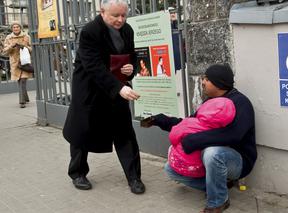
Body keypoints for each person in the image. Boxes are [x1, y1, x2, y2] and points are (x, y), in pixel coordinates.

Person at [148, 64, 257, 213]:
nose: (202, 82)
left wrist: (195, 140)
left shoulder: (241, 102)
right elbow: (190, 124)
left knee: (213, 153)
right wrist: (162, 120)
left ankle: (218, 202)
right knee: (171, 169)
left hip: (238, 161)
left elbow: (234, 135)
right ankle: (219, 187)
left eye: (206, 78)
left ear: (218, 82)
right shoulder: (209, 102)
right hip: (207, 158)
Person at [62, 0, 146, 194]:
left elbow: (132, 55)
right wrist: (119, 88)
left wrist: (130, 69)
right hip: (89, 89)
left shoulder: (128, 30)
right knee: (81, 131)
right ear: (102, 12)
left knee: (124, 132)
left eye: (124, 15)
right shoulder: (89, 31)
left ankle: (134, 177)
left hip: (116, 88)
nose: (120, 20)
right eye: (115, 15)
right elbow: (93, 66)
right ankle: (77, 173)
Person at [168, 97, 236, 178]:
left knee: (172, 147)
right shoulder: (217, 133)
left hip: (179, 164)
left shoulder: (189, 122)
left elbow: (172, 137)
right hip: (201, 170)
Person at [3, 21, 32, 108]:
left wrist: (24, 46)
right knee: (20, 81)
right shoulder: (8, 37)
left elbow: (31, 49)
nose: (16, 28)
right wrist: (11, 46)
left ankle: (22, 102)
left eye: (17, 27)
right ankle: (25, 97)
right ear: (12, 29)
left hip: (25, 62)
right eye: (14, 27)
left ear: (20, 28)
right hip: (15, 63)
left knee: (22, 80)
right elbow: (5, 51)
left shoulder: (26, 36)